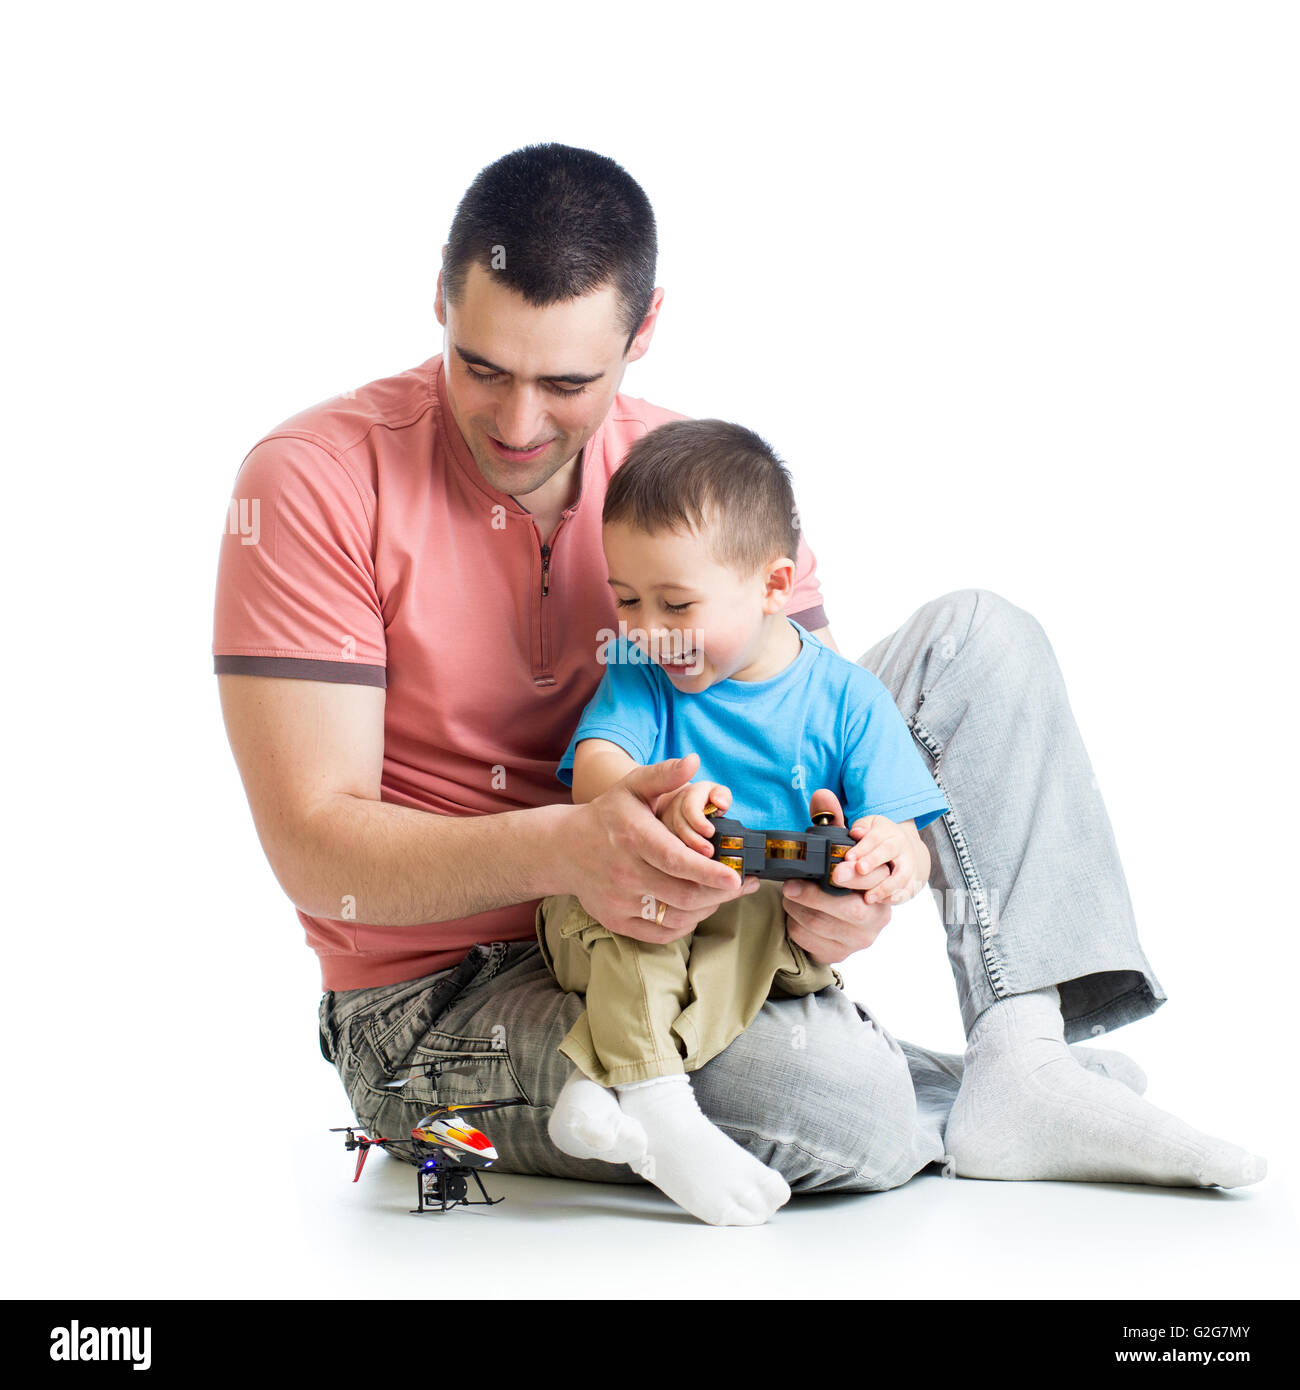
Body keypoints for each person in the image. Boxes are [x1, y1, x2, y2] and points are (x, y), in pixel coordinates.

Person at [213, 142, 1265, 1208]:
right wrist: (571, 849)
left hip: (702, 923)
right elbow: (312, 846)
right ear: (439, 298)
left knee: (978, 640)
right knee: (834, 1104)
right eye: (481, 366)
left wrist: (844, 878)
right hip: (435, 1002)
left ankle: (1024, 1053)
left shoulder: (701, 479)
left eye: (568, 382)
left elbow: (820, 724)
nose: (519, 423)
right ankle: (967, 1097)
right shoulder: (313, 480)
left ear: (644, 328)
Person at [534, 416, 954, 1225]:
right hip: (630, 914)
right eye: (626, 599)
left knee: (745, 930)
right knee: (639, 927)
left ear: (772, 585)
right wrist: (658, 798)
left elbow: (906, 843)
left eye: (676, 603)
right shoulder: (642, 674)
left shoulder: (848, 699)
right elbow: (596, 775)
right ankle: (658, 1105)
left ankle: (597, 1087)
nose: (647, 629)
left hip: (763, 938)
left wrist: (888, 859)